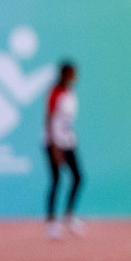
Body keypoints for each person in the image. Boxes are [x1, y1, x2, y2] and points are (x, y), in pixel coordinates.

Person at [44, 61, 85, 239]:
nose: (76, 76)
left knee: (78, 177)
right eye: (73, 73)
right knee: (56, 180)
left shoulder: (70, 92)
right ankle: (52, 222)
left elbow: (66, 120)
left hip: (68, 141)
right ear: (66, 74)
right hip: (54, 142)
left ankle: (69, 214)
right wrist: (54, 146)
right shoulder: (55, 92)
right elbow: (49, 118)